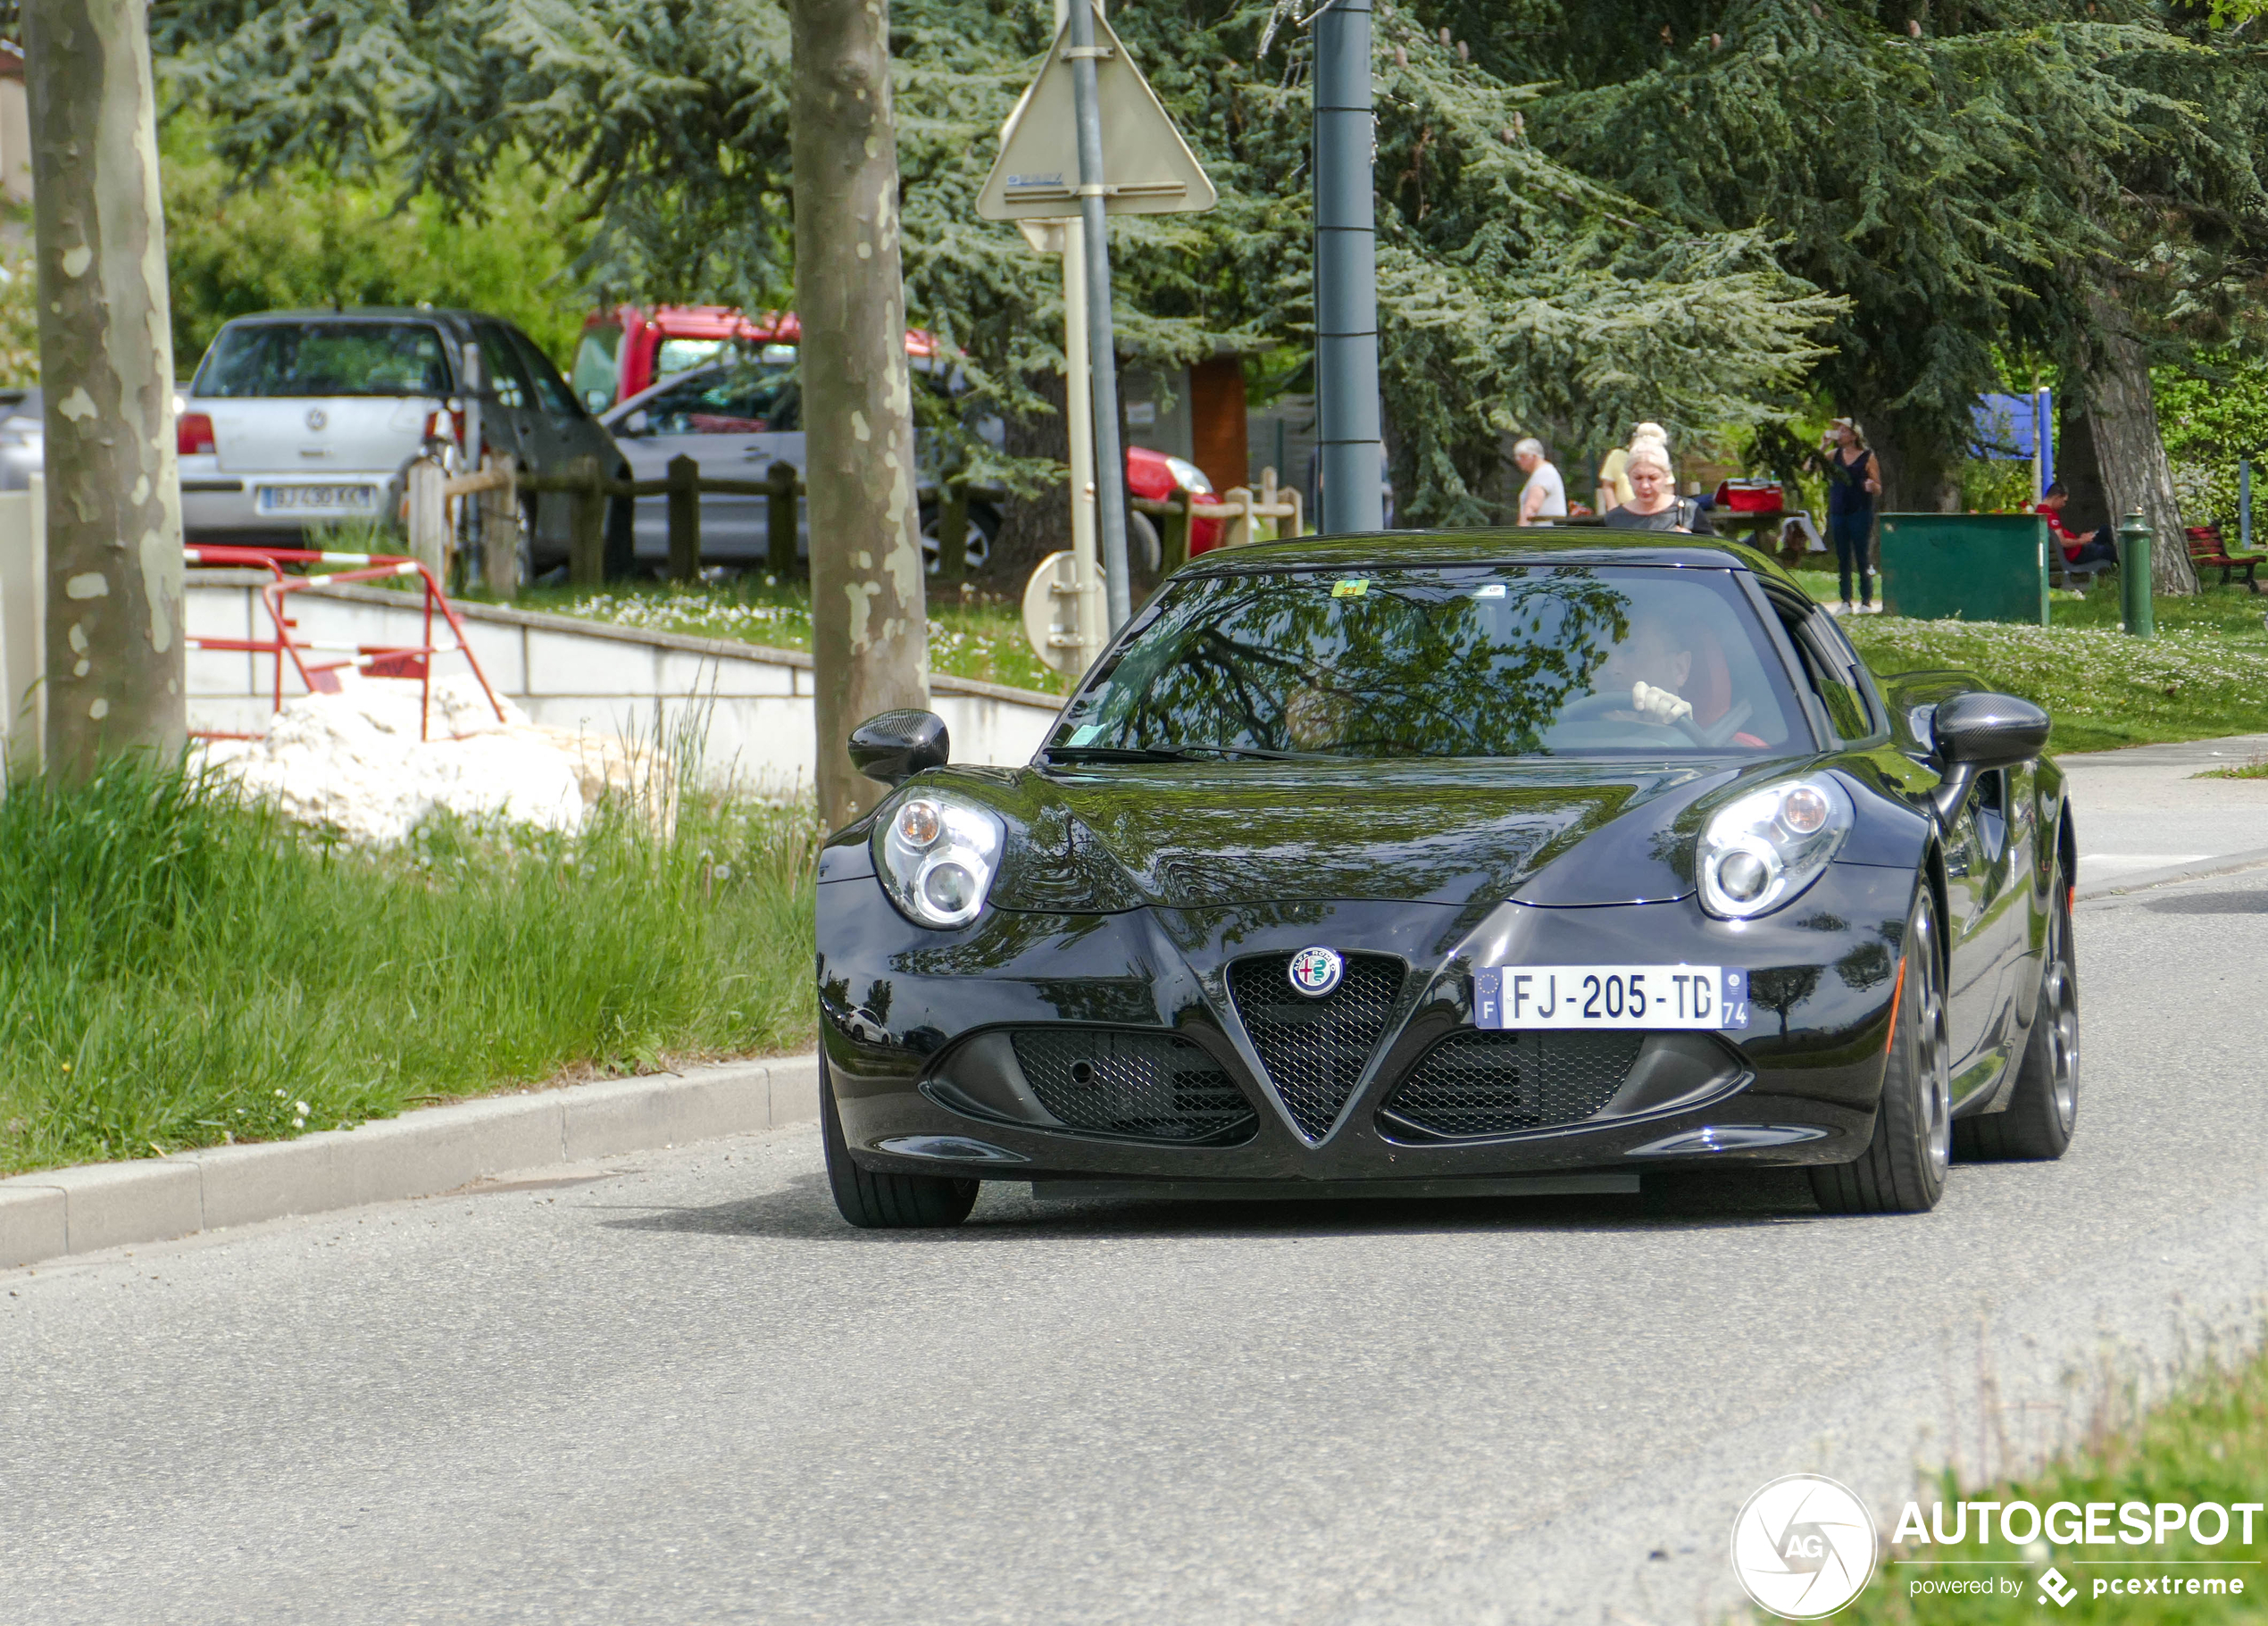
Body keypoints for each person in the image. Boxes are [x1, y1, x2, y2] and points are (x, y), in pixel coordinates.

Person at [1810, 418, 1880, 613]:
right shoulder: (1834, 455)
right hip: (1838, 512)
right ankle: (1845, 601)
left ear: (1853, 435)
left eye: (1843, 431)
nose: (1838, 435)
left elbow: (1878, 487)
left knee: (1862, 556)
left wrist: (1871, 486)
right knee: (1843, 557)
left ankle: (1866, 601)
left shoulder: (1867, 457)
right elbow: (1809, 467)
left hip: (1860, 512)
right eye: (1838, 431)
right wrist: (1823, 445)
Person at [1603, 444, 1714, 535]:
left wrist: (1693, 544)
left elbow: (1714, 555)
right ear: (1629, 477)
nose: (1645, 485)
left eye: (1652, 478)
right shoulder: (1613, 519)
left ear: (1665, 477)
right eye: (1638, 478)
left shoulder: (1688, 511)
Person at [2036, 481, 2118, 567]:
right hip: (2077, 554)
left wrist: (2081, 539)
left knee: (2105, 530)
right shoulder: (2048, 515)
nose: (2064, 505)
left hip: (2077, 548)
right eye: (2064, 501)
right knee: (2115, 551)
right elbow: (2062, 542)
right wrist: (2081, 541)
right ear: (2056, 497)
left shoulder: (2042, 511)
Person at [1596, 421, 1669, 513]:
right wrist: (1613, 510)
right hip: (1624, 513)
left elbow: (1668, 487)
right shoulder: (1617, 455)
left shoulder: (1659, 458)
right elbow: (1608, 486)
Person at [1513, 438, 1567, 525]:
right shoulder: (1542, 473)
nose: (1518, 460)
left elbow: (1531, 507)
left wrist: (1520, 534)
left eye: (1522, 456)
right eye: (1517, 456)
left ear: (1534, 456)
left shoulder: (1543, 473)